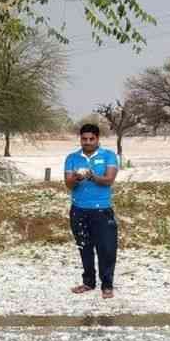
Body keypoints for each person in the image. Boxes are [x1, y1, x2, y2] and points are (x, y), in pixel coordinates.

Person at [64, 123, 119, 299]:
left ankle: (107, 285)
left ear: (97, 139)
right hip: (79, 209)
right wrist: (77, 178)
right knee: (84, 247)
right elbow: (68, 184)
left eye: (91, 139)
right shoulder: (72, 158)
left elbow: (109, 180)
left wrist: (92, 176)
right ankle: (88, 282)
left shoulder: (108, 156)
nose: (87, 142)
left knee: (106, 248)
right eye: (84, 139)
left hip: (102, 210)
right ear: (80, 139)